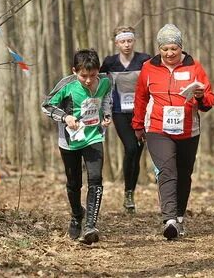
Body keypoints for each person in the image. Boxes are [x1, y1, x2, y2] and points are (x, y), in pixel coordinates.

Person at [132, 24, 214, 240]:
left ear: (181, 48)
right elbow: (141, 97)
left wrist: (199, 96)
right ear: (159, 49)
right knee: (167, 170)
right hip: (158, 128)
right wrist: (138, 125)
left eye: (173, 49)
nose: (169, 53)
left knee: (184, 174)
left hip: (189, 130)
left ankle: (179, 217)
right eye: (165, 49)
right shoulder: (148, 68)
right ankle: (168, 220)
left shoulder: (194, 67)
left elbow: (209, 101)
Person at [41, 49, 112, 245]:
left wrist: (106, 115)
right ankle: (76, 215)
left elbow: (106, 98)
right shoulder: (67, 85)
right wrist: (65, 117)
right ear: (75, 71)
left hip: (94, 136)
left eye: (92, 75)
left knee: (96, 178)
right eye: (83, 76)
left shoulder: (106, 80)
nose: (89, 80)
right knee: (74, 184)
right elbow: (46, 105)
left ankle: (90, 225)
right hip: (70, 141)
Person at [100, 26, 151, 213]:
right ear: (117, 43)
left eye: (129, 41)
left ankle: (130, 193)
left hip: (142, 113)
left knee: (137, 153)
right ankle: (127, 190)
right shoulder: (110, 62)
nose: (126, 45)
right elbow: (99, 83)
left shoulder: (144, 60)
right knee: (130, 147)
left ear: (134, 41)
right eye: (123, 41)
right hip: (120, 111)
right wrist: (101, 110)